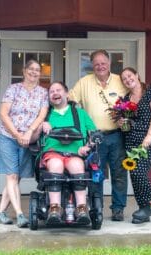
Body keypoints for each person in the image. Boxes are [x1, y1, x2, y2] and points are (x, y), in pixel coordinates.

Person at [69, 49, 151, 221]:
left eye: (103, 63)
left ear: (109, 63)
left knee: (120, 173)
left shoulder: (120, 81)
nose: (100, 66)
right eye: (97, 63)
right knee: (96, 173)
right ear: (92, 65)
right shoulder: (84, 83)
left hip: (118, 135)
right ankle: (96, 207)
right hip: (95, 136)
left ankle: (118, 209)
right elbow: (70, 101)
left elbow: (137, 87)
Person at [0, 59, 49, 228]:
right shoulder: (13, 89)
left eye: (37, 70)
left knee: (15, 178)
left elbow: (41, 115)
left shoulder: (43, 92)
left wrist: (28, 132)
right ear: (24, 71)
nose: (34, 72)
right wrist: (17, 134)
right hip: (8, 137)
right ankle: (20, 214)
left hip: (28, 140)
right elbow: (3, 114)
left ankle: (0, 213)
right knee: (11, 175)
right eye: (31, 69)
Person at [40, 81, 96, 225]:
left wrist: (87, 147)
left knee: (77, 166)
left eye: (58, 90)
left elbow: (95, 135)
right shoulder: (45, 114)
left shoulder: (80, 113)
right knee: (56, 164)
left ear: (66, 94)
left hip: (75, 153)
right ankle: (55, 208)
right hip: (53, 152)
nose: (55, 93)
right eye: (51, 92)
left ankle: (81, 208)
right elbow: (34, 135)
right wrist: (42, 125)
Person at [119, 67, 151, 224]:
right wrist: (122, 122)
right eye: (124, 79)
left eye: (130, 76)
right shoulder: (125, 99)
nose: (128, 80)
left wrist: (149, 136)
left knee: (139, 171)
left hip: (150, 138)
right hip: (131, 139)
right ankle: (144, 208)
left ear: (137, 75)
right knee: (134, 173)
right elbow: (127, 121)